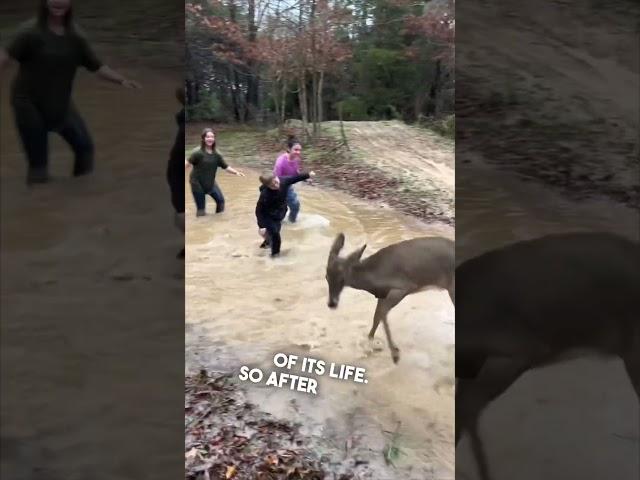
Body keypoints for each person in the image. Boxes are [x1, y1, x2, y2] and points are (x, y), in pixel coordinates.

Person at [0, 0, 141, 185]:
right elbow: (4, 58)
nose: (58, 3)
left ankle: (79, 195)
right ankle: (43, 203)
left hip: (61, 103)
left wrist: (122, 80)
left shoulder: (76, 37)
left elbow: (96, 66)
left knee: (84, 148)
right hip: (28, 104)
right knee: (38, 167)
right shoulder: (29, 33)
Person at [255, 170, 316, 257]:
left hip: (281, 211)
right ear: (267, 186)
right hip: (269, 216)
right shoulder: (265, 195)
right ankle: (274, 256)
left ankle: (266, 246)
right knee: (276, 235)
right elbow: (259, 211)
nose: (276, 185)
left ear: (276, 177)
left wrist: (308, 174)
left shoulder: (283, 180)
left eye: (276, 182)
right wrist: (261, 226)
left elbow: (295, 178)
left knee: (275, 231)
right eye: (272, 185)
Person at [186, 128, 244, 216]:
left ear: (214, 139)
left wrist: (236, 172)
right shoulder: (197, 153)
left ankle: (217, 222)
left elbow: (225, 166)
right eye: (207, 137)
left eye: (212, 137)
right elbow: (187, 163)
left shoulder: (217, 154)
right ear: (203, 138)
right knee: (201, 211)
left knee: (221, 202)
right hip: (197, 184)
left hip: (210, 183)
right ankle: (203, 226)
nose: (210, 139)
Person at [167, 86, 185, 259]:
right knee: (180, 213)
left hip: (176, 166)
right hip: (177, 167)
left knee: (180, 213)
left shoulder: (182, 116)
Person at [273, 137, 304, 223]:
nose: (298, 152)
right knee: (280, 210)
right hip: (277, 186)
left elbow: (296, 172)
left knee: (295, 205)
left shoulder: (296, 159)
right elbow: (276, 178)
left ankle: (291, 222)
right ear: (289, 149)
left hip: (287, 185)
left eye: (299, 150)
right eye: (296, 150)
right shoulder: (281, 162)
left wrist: (305, 178)